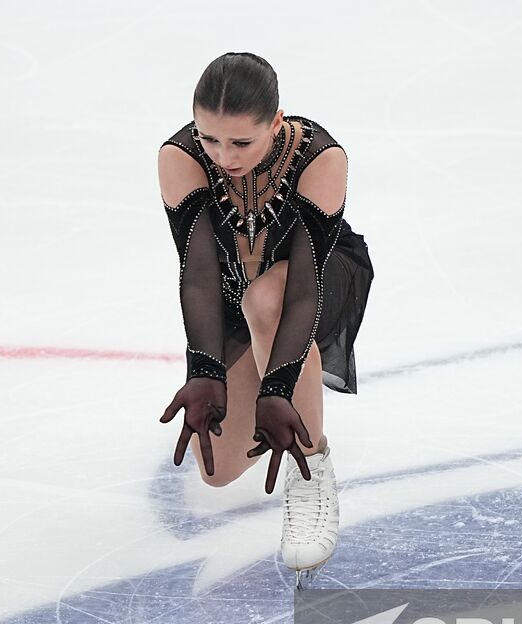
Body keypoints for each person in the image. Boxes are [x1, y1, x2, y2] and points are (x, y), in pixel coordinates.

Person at [157, 52, 374, 589]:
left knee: (266, 301)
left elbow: (302, 289)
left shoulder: (320, 158)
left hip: (315, 284)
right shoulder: (179, 158)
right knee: (218, 472)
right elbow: (202, 276)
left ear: (275, 124)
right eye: (209, 139)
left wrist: (277, 388)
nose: (222, 155)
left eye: (240, 143)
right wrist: (204, 369)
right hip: (234, 295)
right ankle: (281, 392)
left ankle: (313, 469)